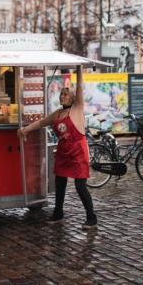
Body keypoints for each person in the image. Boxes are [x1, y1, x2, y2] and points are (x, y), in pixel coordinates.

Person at [17, 65, 97, 229]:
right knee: (60, 183)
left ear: (73, 98)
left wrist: (79, 70)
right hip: (63, 152)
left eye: (66, 94)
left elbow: (80, 89)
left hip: (78, 152)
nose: (62, 96)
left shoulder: (77, 109)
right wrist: (24, 130)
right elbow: (41, 123)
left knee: (80, 186)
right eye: (61, 94)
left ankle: (92, 217)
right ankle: (58, 213)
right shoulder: (58, 114)